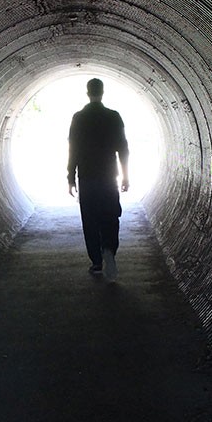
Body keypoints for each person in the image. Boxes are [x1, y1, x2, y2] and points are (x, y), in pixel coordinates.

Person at [67, 78, 130, 281]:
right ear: (103, 93)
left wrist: (70, 177)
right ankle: (109, 250)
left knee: (90, 220)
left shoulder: (79, 118)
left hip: (87, 178)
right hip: (108, 177)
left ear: (88, 93)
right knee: (110, 217)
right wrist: (126, 176)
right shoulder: (113, 117)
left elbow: (73, 150)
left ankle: (96, 261)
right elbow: (123, 149)